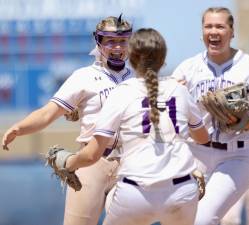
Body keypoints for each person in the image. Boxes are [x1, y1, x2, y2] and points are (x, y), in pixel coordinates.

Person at [59, 28, 209, 225]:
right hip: (182, 190)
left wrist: (67, 162)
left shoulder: (122, 92)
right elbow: (203, 138)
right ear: (163, 60)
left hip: (136, 192)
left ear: (132, 58)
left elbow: (92, 154)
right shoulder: (179, 90)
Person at [2, 15, 133, 225]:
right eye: (110, 41)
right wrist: (19, 128)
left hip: (130, 163)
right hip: (93, 163)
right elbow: (47, 114)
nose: (117, 47)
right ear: (98, 41)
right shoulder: (84, 76)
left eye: (122, 41)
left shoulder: (137, 77)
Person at [172, 7, 249, 225]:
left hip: (236, 156)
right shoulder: (188, 68)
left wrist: (246, 123)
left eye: (220, 26)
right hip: (195, 154)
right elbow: (167, 110)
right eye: (208, 26)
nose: (214, 31)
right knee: (178, 217)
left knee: (203, 219)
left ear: (232, 32)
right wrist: (175, 95)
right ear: (202, 32)